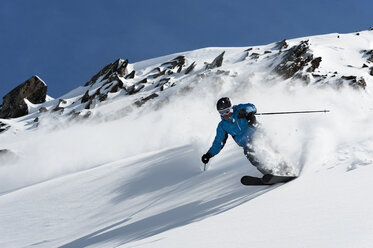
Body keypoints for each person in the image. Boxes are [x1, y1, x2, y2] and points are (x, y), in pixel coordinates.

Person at [201, 97, 269, 175]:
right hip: (247, 144)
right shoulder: (223, 126)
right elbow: (218, 142)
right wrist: (209, 154)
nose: (225, 115)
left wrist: (245, 111)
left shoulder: (239, 110)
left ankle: (282, 163)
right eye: (221, 113)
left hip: (258, 135)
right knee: (251, 154)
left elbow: (252, 107)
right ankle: (267, 172)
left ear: (231, 108)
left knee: (267, 146)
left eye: (227, 111)